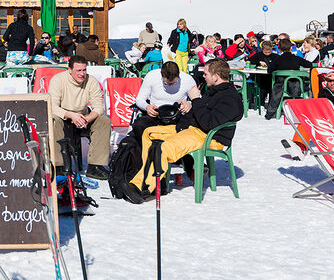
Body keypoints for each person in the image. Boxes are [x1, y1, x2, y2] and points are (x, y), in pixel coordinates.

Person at [122, 59, 243, 203]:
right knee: (149, 133)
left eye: (205, 74)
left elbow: (207, 123)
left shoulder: (230, 98)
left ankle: (143, 186)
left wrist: (196, 99)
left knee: (163, 147)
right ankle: (156, 178)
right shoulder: (214, 91)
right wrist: (183, 120)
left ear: (215, 77)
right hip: (195, 130)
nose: (203, 76)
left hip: (211, 138)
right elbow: (199, 113)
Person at [48, 55, 112, 180]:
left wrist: (87, 119)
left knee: (103, 121)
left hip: (83, 117)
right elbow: (52, 107)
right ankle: (59, 165)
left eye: (84, 70)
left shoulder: (91, 81)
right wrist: (71, 115)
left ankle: (96, 165)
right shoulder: (58, 80)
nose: (82, 74)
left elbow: (99, 107)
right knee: (54, 120)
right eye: (78, 70)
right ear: (69, 70)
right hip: (64, 117)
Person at [283, 69, 334, 159]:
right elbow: (314, 72)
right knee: (307, 119)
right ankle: (299, 147)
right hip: (323, 119)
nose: (332, 83)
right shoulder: (320, 92)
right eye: (329, 81)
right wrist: (329, 72)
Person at [131, 61, 197, 139]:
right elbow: (139, 99)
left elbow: (198, 100)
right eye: (166, 83)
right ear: (161, 75)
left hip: (178, 116)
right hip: (156, 115)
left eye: (173, 83)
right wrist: (147, 107)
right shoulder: (152, 76)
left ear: (179, 75)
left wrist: (189, 104)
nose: (170, 85)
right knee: (138, 125)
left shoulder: (187, 79)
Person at [264, 37, 315, 119]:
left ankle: (270, 113)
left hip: (281, 86)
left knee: (277, 84)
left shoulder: (277, 59)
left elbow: (269, 70)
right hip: (296, 86)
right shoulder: (296, 58)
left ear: (280, 49)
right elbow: (309, 64)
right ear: (291, 48)